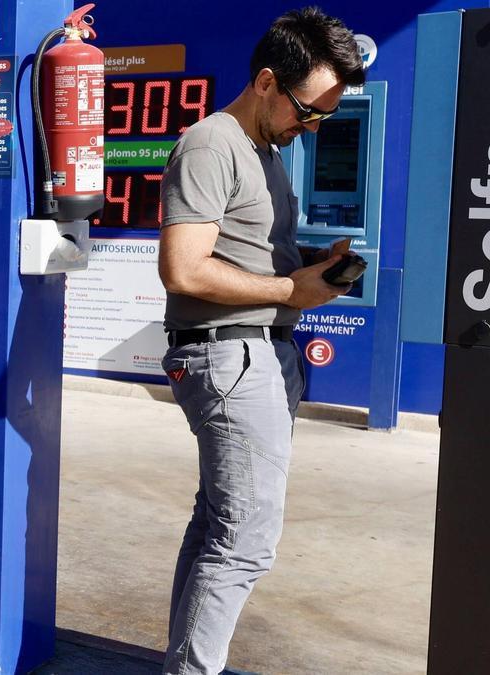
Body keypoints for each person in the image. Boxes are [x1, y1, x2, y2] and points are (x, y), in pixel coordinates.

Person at [156, 8, 365, 674]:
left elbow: (250, 251)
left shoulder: (267, 153)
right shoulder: (212, 143)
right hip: (230, 356)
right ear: (269, 81)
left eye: (326, 117)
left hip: (255, 353)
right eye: (309, 110)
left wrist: (309, 264)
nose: (314, 127)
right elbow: (184, 268)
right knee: (244, 542)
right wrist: (289, 291)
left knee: (217, 523)